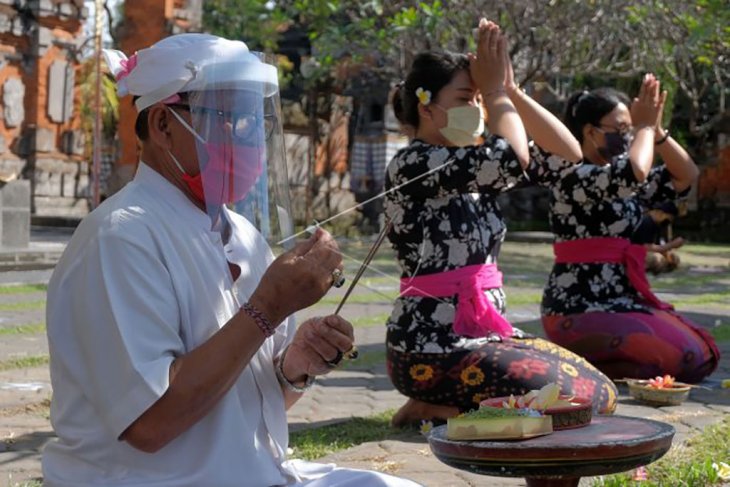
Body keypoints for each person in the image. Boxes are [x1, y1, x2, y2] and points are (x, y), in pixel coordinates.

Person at [42, 33, 422, 487]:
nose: (252, 140)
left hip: (257, 471)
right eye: (233, 120)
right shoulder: (122, 236)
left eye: (255, 122)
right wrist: (267, 308)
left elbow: (245, 404)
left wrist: (293, 367)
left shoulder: (241, 233)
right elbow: (150, 424)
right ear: (163, 125)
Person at [383, 19, 618, 427]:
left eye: (478, 100)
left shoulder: (473, 167)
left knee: (601, 392)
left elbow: (567, 153)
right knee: (580, 401)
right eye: (465, 99)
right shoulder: (411, 164)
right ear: (425, 107)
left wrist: (509, 91)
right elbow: (510, 158)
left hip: (483, 335)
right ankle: (436, 402)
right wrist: (493, 92)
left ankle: (443, 407)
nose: (477, 110)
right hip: (429, 346)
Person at [530, 74, 720, 383]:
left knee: (701, 352)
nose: (628, 137)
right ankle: (592, 365)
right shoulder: (574, 177)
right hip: (577, 309)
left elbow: (686, 175)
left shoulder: (622, 179)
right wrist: (643, 127)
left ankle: (601, 369)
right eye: (620, 130)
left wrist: (656, 132)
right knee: (686, 357)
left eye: (628, 130)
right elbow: (635, 171)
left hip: (620, 302)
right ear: (590, 132)